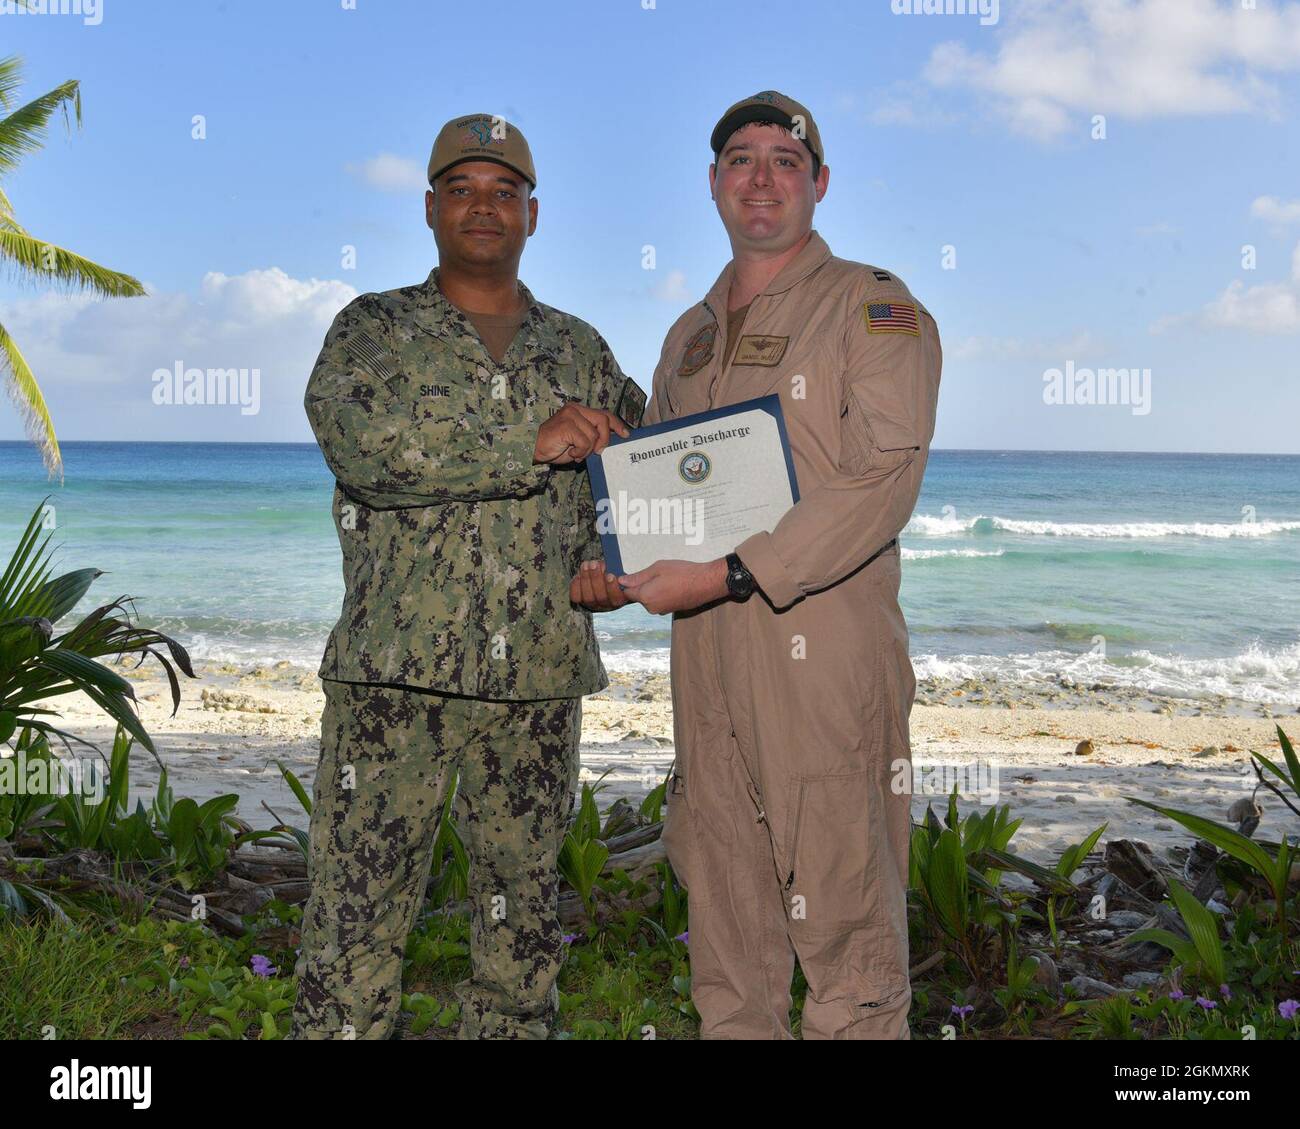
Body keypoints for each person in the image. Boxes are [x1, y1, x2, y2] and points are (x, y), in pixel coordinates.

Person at [572, 91, 942, 1039]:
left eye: (786, 159)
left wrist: (735, 571)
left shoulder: (873, 308)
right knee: (727, 923)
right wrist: (610, 561)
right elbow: (660, 490)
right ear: (713, 184)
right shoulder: (687, 337)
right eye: (742, 159)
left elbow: (880, 482)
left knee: (847, 929)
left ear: (820, 184)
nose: (762, 177)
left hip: (819, 655)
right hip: (704, 662)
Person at [290, 113, 642, 1040]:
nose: (483, 206)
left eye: (504, 191)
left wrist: (615, 558)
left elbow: (642, 469)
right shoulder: (372, 330)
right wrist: (525, 441)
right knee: (352, 923)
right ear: (431, 208)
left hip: (534, 682)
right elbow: (364, 449)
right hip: (392, 681)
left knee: (520, 927)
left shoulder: (582, 349)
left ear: (534, 213)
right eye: (462, 188)